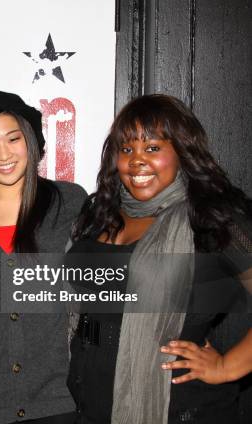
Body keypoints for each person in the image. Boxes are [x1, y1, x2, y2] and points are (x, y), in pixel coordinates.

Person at [67, 94, 252, 423]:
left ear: (182, 151)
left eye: (152, 148)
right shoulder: (99, 213)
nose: (136, 161)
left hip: (178, 409)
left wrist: (227, 367)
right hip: (90, 405)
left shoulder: (212, 218)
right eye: (127, 149)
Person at [0, 89, 87, 424]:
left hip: (57, 397)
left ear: (32, 141)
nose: (3, 153)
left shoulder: (69, 203)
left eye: (13, 138)